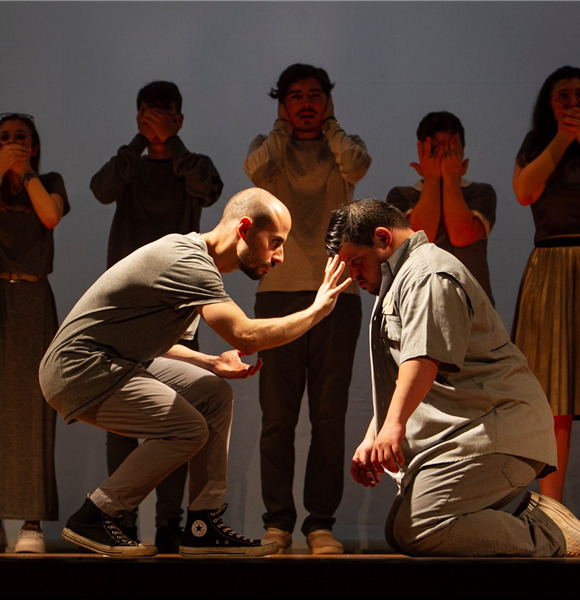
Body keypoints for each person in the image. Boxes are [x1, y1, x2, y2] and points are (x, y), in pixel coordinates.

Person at [38, 187, 351, 558]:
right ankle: (96, 514)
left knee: (212, 392)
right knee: (186, 428)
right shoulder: (188, 262)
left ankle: (203, 525)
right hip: (79, 368)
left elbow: (160, 342)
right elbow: (247, 336)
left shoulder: (194, 260)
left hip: (114, 361)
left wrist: (211, 363)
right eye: (275, 242)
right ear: (245, 228)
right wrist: (316, 310)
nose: (280, 256)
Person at [324, 197, 580, 557]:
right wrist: (373, 434)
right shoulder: (400, 278)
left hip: (497, 431)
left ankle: (551, 535)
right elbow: (403, 375)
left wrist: (392, 426)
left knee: (421, 527)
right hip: (467, 436)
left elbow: (424, 359)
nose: (353, 276)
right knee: (399, 529)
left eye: (356, 262)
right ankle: (526, 513)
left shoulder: (428, 274)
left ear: (382, 238)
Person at [90, 80, 224, 551]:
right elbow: (100, 188)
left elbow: (210, 189)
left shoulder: (194, 165)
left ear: (180, 119)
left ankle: (171, 524)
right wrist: (139, 143)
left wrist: (173, 142)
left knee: (178, 415)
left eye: (163, 114)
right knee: (120, 417)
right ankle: (116, 518)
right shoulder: (128, 166)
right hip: (125, 311)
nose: (155, 122)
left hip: (177, 308)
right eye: (146, 114)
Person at [243, 63, 371, 554]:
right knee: (277, 418)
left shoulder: (343, 148)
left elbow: (358, 166)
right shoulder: (271, 150)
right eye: (294, 96)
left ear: (329, 102)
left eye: (315, 95)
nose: (305, 104)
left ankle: (321, 525)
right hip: (277, 295)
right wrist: (280, 128)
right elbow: (254, 172)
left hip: (337, 294)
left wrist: (332, 126)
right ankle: (277, 524)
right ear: (281, 104)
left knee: (328, 418)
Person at [511, 65, 580, 532]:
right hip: (550, 268)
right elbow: (524, 192)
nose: (572, 104)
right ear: (550, 103)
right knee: (555, 402)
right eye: (563, 96)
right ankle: (557, 522)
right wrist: (563, 141)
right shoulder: (537, 146)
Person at [0, 113, 69, 553]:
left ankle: (30, 524)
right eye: (4, 139)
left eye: (20, 138)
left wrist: (23, 173)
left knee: (31, 408)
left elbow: (49, 217)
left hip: (30, 297)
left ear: (35, 146)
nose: (12, 144)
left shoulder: (50, 181)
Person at [386, 111, 496, 303]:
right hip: (420, 302)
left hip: (473, 305)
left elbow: (462, 235)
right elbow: (421, 236)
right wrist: (432, 178)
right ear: (422, 151)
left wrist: (451, 178)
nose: (444, 157)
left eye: (451, 149)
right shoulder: (400, 196)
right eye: (435, 150)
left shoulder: (481, 191)